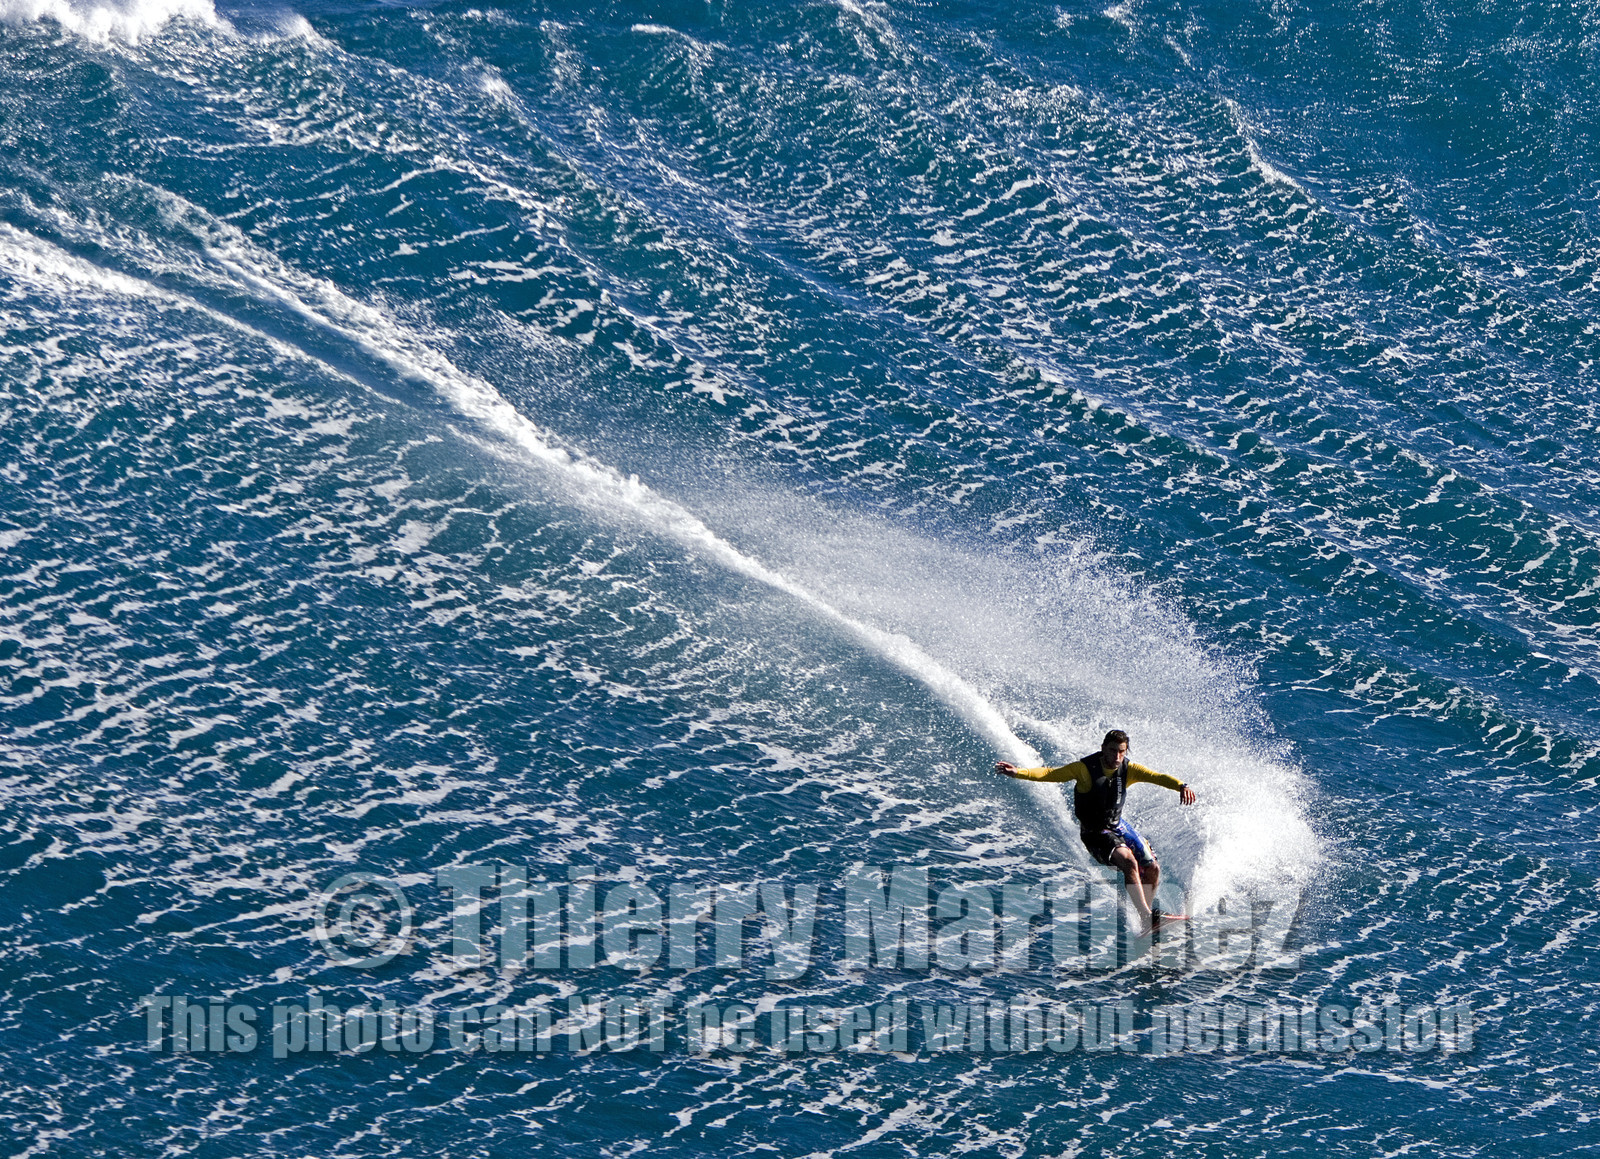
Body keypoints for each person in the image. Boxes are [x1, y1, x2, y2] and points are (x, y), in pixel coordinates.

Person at [995, 729, 1196, 933]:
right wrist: (1019, 772)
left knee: (1152, 867)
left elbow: (1157, 777)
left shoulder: (1129, 769)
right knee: (1128, 860)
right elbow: (1050, 773)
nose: (1117, 757)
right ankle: (1147, 917)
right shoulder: (1084, 769)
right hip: (1094, 832)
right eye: (1112, 751)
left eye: (1121, 752)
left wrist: (1180, 786)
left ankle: (1146, 917)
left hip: (1117, 825)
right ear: (1102, 749)